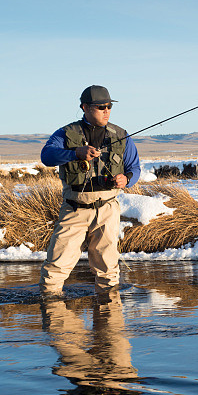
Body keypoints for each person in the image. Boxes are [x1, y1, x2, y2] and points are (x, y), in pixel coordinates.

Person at [39, 85, 141, 297]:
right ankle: (55, 320)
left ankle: (109, 324)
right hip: (74, 209)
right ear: (84, 107)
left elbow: (135, 169)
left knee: (108, 271)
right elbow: (47, 156)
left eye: (109, 106)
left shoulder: (121, 135)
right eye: (100, 107)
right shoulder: (65, 134)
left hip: (107, 210)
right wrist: (75, 153)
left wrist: (126, 179)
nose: (106, 111)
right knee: (55, 270)